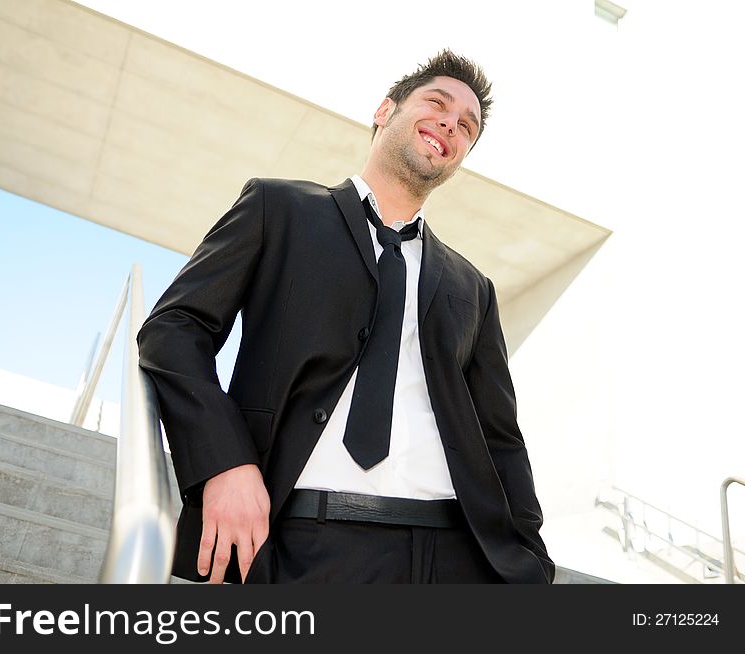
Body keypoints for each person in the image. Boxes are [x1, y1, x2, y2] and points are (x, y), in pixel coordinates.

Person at [138, 49, 554, 584]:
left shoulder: (473, 287)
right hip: (302, 540)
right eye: (437, 103)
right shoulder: (278, 209)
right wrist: (224, 462)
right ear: (385, 111)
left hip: (455, 558)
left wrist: (533, 562)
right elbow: (173, 330)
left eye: (467, 127)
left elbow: (500, 437)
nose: (452, 123)